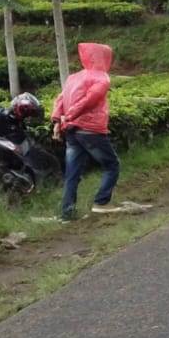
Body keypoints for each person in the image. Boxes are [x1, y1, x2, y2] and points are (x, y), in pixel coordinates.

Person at [52, 42, 119, 220]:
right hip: (91, 130)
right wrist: (71, 115)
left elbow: (60, 99)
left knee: (72, 173)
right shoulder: (102, 78)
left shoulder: (74, 77)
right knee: (112, 165)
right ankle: (101, 202)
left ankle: (67, 212)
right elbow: (90, 100)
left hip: (72, 131)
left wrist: (58, 120)